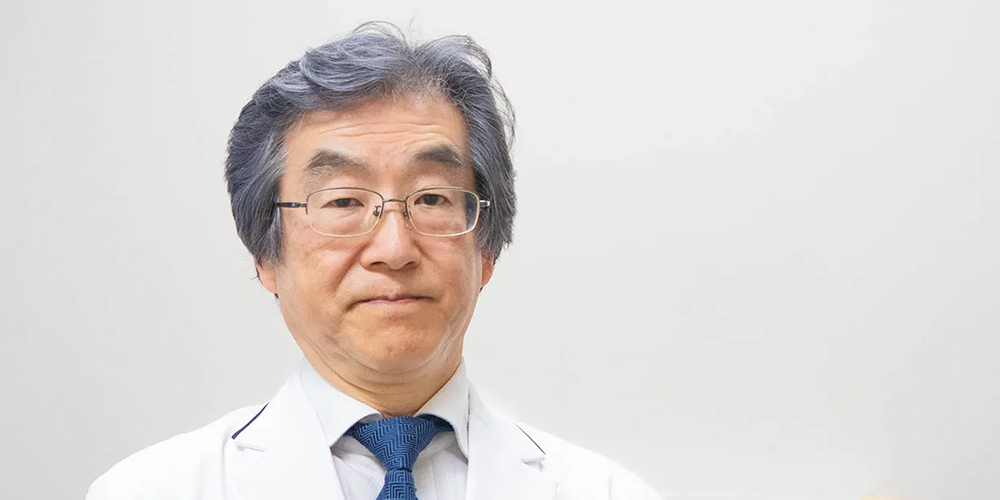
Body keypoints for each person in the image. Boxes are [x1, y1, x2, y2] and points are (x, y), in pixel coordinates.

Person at [86, 22, 661, 500]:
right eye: (342, 202)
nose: (394, 250)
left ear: (486, 248)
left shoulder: (607, 492)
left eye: (431, 199)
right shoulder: (152, 490)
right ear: (266, 254)